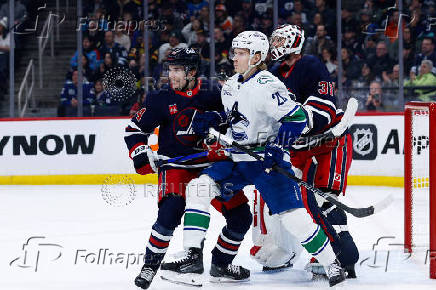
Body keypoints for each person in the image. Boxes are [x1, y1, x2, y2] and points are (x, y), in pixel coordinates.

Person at [163, 31, 346, 287]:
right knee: (199, 187)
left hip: (266, 163)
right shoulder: (230, 86)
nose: (233, 57)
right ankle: (193, 256)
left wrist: (278, 146)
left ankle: (332, 263)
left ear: (257, 56)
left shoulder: (268, 85)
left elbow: (296, 118)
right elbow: (235, 120)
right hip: (238, 159)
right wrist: (215, 122)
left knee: (295, 218)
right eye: (234, 52)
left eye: (240, 53)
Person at [124, 48, 226, 289]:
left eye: (177, 69)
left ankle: (221, 263)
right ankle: (150, 266)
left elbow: (232, 118)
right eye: (170, 69)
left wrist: (217, 121)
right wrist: (140, 152)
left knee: (239, 214)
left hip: (210, 165)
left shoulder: (213, 93)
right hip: (176, 165)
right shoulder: (160, 98)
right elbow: (134, 130)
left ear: (192, 71)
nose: (172, 74)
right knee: (168, 214)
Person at [262, 24, 359, 278]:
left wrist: (299, 123)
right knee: (290, 200)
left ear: (295, 42)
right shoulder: (273, 72)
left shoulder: (310, 64)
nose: (276, 45)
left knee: (323, 199)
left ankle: (341, 256)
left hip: (328, 143)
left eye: (281, 40)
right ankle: (286, 250)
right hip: (298, 148)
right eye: (275, 40)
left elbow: (325, 105)